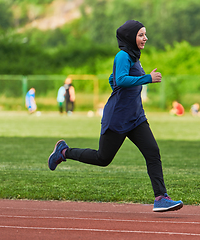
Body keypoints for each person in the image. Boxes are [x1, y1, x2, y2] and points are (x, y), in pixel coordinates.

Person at [48, 20, 183, 212]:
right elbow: (120, 79)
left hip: (136, 118)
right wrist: (147, 78)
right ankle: (63, 152)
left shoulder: (135, 57)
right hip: (118, 119)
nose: (145, 38)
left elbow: (114, 80)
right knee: (103, 158)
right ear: (130, 37)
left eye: (145, 34)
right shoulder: (123, 55)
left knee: (153, 152)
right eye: (141, 35)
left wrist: (124, 86)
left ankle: (161, 197)